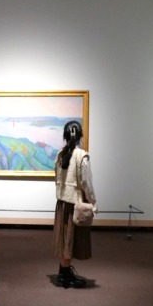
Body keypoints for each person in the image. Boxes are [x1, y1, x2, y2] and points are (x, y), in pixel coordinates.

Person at [53, 120, 95, 288]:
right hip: (75, 205)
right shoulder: (82, 156)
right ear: (80, 136)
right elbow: (87, 183)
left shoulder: (60, 154)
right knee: (70, 240)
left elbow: (56, 177)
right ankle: (64, 275)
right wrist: (93, 202)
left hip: (62, 203)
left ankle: (63, 271)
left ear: (65, 135)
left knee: (64, 239)